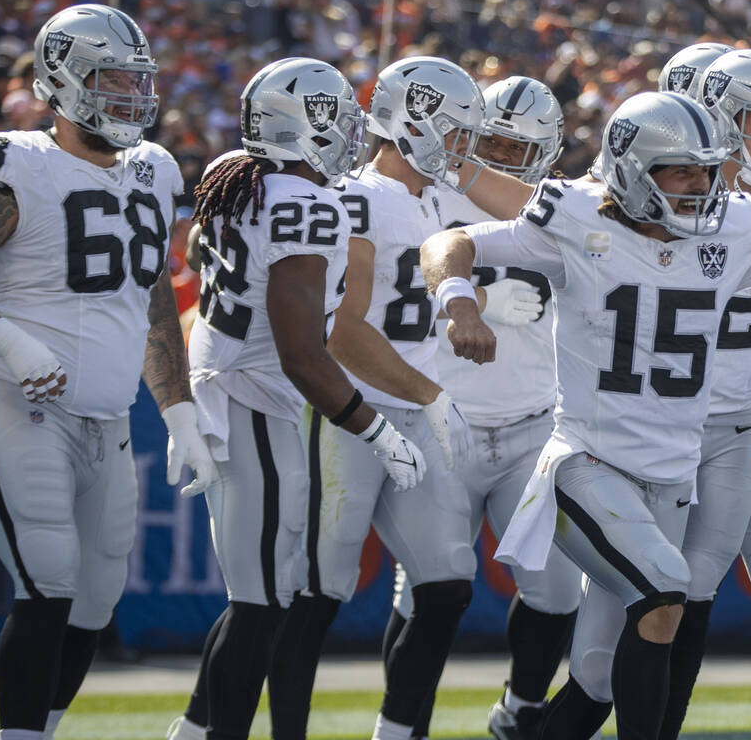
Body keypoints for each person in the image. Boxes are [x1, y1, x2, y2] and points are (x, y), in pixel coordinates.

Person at [421, 90, 751, 740]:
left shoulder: (734, 225)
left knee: (598, 676)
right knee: (666, 592)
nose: (701, 185)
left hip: (671, 479)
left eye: (705, 168)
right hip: (586, 465)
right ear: (632, 169)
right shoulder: (576, 216)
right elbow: (452, 242)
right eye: (682, 170)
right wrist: (461, 304)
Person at [0, 4, 218, 740]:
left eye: (137, 81)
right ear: (61, 81)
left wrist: (177, 410)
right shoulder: (19, 165)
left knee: (96, 603)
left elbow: (154, 300)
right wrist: (5, 339)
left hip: (106, 416)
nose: (130, 97)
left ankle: (37, 729)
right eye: (110, 79)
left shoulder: (154, 169)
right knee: (48, 582)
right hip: (21, 399)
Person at [551, 48, 751, 740]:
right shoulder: (626, 198)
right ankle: (526, 713)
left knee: (723, 588)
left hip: (737, 418)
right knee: (615, 639)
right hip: (638, 430)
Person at [268, 56, 534, 740]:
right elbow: (342, 332)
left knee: (445, 585)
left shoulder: (433, 199)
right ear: (409, 122)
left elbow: (533, 207)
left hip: (413, 411)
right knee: (318, 592)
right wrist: (434, 395)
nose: (462, 149)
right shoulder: (358, 198)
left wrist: (425, 399)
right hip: (346, 411)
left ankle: (393, 733)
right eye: (452, 133)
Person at [164, 58, 428, 740]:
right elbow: (302, 352)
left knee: (261, 598)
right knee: (260, 603)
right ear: (303, 125)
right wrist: (378, 433)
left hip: (228, 384)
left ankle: (195, 733)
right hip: (256, 396)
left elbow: (200, 258)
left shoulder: (236, 173)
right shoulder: (303, 202)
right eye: (336, 119)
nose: (347, 132)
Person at [383, 75, 581, 740]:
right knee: (426, 592)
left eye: (519, 147)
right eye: (493, 141)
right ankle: (403, 726)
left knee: (555, 591)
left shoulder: (560, 208)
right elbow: (381, 277)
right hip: (446, 418)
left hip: (532, 423)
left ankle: (521, 707)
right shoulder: (427, 191)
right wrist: (471, 298)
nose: (503, 156)